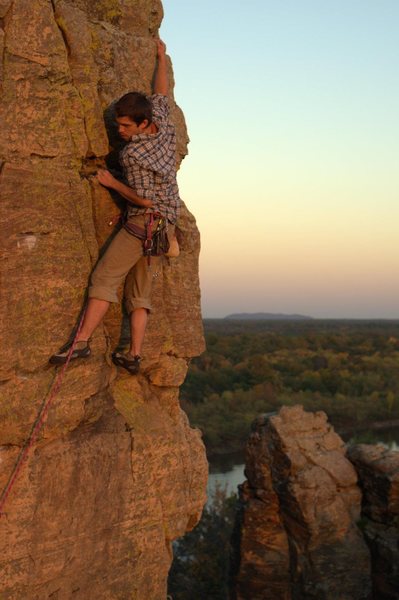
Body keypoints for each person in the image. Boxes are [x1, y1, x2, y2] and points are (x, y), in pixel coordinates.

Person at [50, 39, 181, 374]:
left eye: (125, 126)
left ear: (141, 124)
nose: (120, 130)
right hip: (161, 235)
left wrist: (111, 184)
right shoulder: (164, 125)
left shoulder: (133, 155)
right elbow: (161, 94)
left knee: (105, 278)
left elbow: (143, 199)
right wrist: (160, 59)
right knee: (143, 288)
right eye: (119, 125)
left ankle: (79, 344)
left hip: (141, 228)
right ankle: (134, 354)